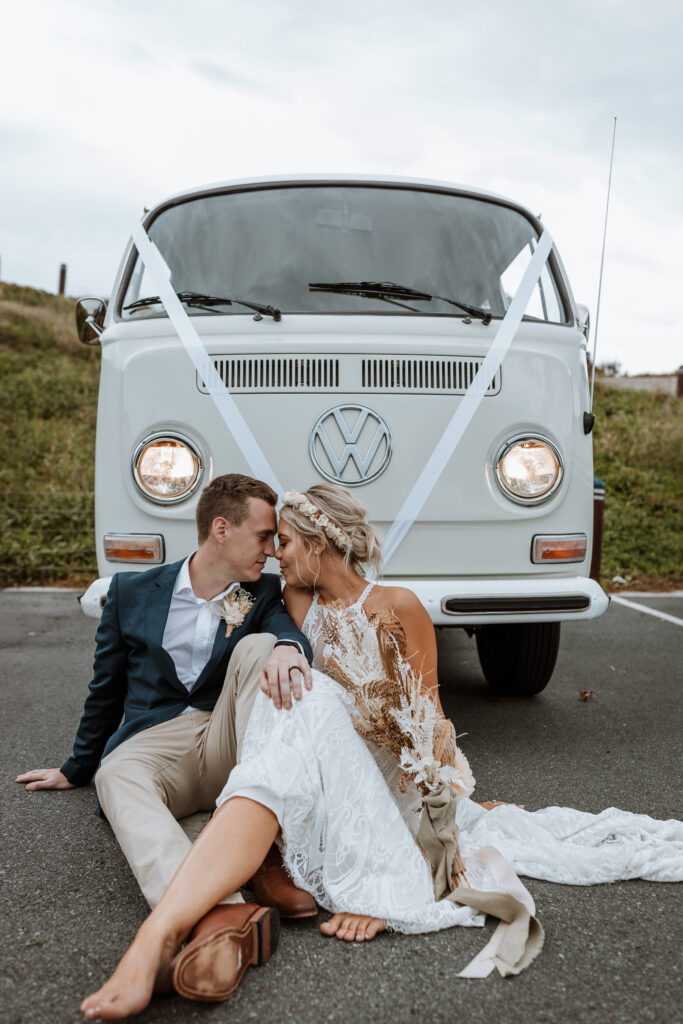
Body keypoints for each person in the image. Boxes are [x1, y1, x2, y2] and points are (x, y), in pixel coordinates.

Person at [80, 483, 683, 1020]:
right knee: (302, 708)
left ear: (319, 542)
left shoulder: (398, 607)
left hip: (386, 774)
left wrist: (443, 817)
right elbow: (261, 638)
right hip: (310, 753)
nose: (274, 556)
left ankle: (325, 887)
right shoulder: (289, 602)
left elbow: (429, 722)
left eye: (284, 542)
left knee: (310, 713)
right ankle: (193, 913)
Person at [16, 473, 317, 917]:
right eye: (263, 536)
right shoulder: (130, 593)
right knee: (113, 774)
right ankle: (213, 914)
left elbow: (289, 632)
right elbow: (106, 689)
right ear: (221, 530)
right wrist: (76, 767)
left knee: (262, 646)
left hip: (227, 738)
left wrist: (289, 648)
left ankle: (265, 849)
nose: (271, 550)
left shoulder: (265, 592)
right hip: (157, 741)